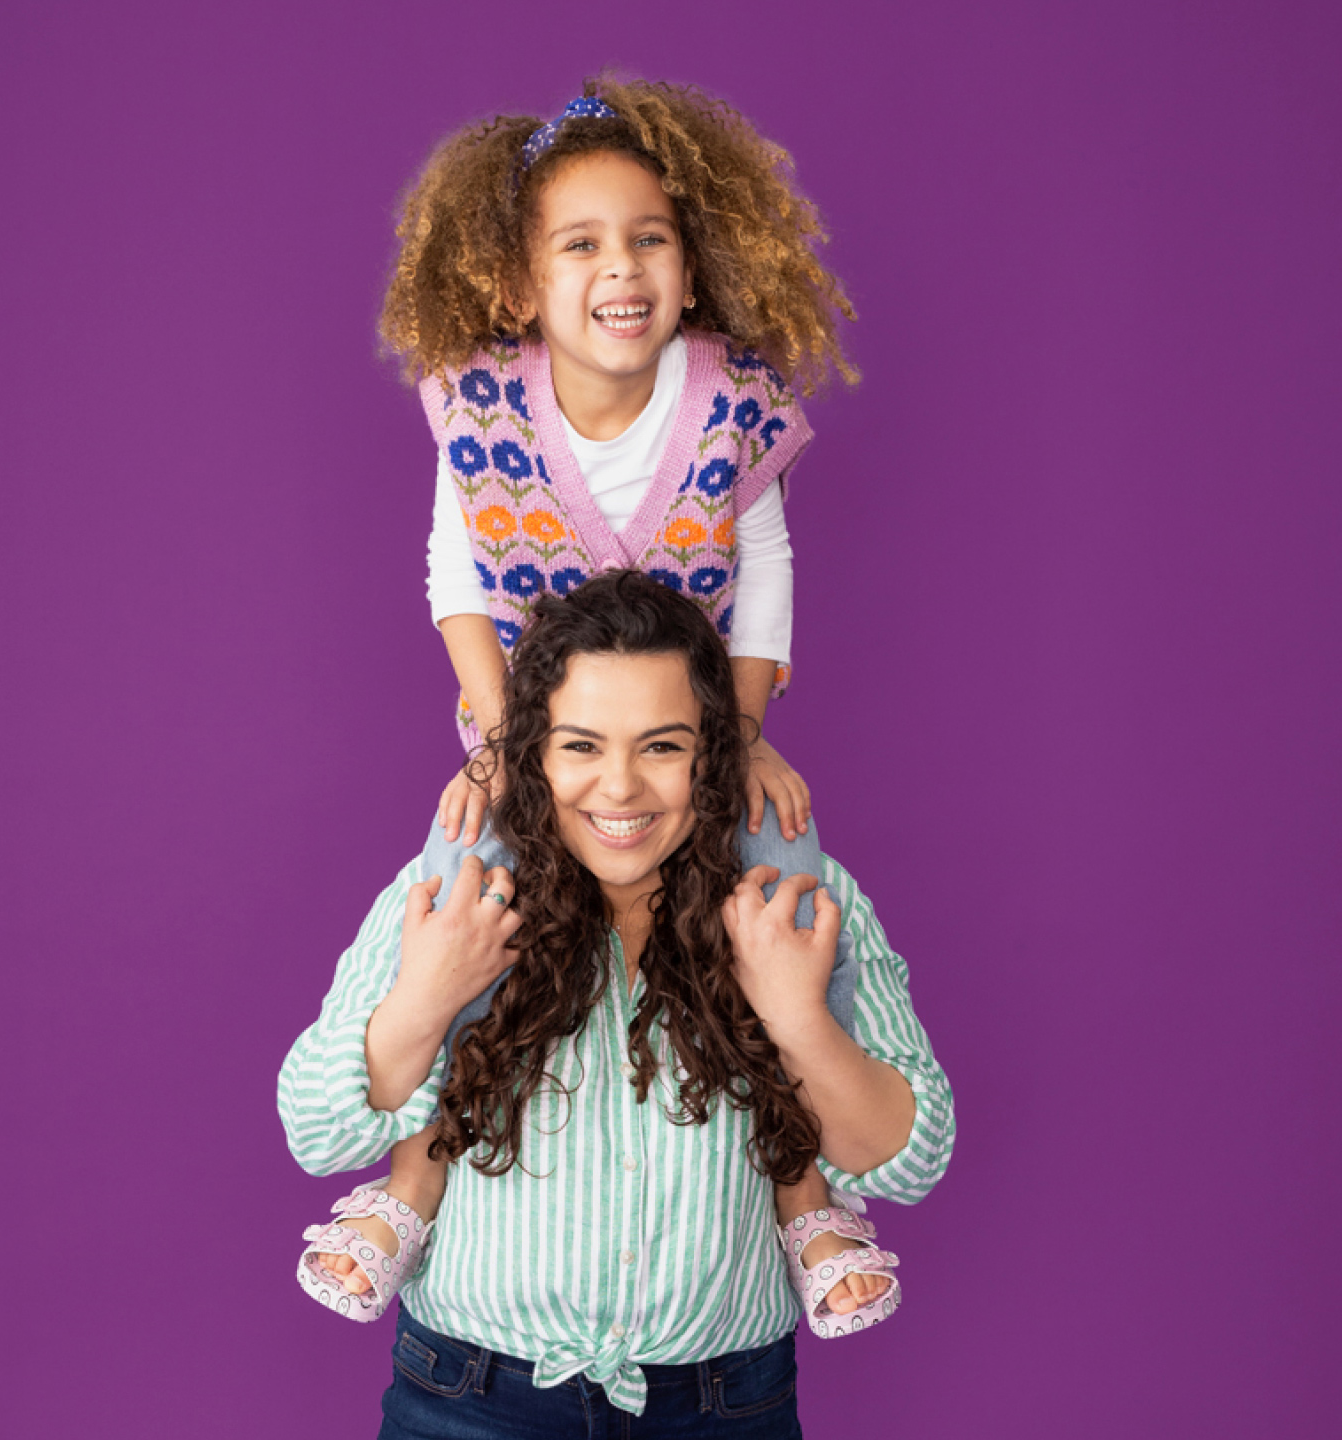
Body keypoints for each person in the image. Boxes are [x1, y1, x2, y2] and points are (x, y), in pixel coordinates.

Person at [294, 74, 904, 1338]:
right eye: (579, 244)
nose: (619, 268)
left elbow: (769, 569)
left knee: (784, 888)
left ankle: (807, 1200)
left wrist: (739, 735)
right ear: (519, 284)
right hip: (537, 745)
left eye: (650, 238)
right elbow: (453, 574)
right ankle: (409, 1191)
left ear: (690, 264)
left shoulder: (728, 399)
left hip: (697, 741)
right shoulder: (479, 408)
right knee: (471, 911)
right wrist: (500, 741)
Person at [279, 572, 955, 1433]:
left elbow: (910, 1157)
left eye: (663, 746)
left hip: (724, 1406)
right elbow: (318, 1130)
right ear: (533, 754)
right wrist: (429, 992)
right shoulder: (449, 898)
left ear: (713, 752)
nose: (622, 788)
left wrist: (797, 1016)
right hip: (471, 1399)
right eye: (582, 746)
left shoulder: (803, 901)